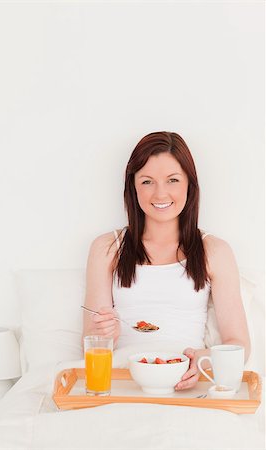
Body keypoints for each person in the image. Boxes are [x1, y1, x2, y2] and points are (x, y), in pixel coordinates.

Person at [82, 131, 250, 391]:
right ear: (133, 187)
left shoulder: (215, 251)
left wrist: (202, 361)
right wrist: (106, 336)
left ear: (189, 185)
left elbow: (238, 342)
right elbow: (90, 341)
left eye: (172, 180)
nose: (160, 194)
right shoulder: (107, 248)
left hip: (184, 379)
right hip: (123, 381)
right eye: (147, 181)